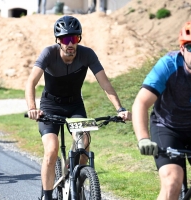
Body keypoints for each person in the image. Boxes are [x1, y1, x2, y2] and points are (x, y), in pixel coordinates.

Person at [26, 15, 131, 200]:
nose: (70, 44)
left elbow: (105, 84)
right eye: (66, 39)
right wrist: (33, 107)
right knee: (51, 149)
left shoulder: (87, 54)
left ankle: (77, 179)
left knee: (83, 145)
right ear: (58, 40)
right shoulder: (49, 53)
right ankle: (47, 196)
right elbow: (31, 83)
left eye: (75, 38)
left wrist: (120, 109)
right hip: (50, 106)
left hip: (74, 106)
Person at [132, 20, 191, 199]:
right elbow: (141, 103)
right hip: (167, 128)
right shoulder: (168, 65)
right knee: (173, 181)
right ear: (182, 49)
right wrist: (143, 139)